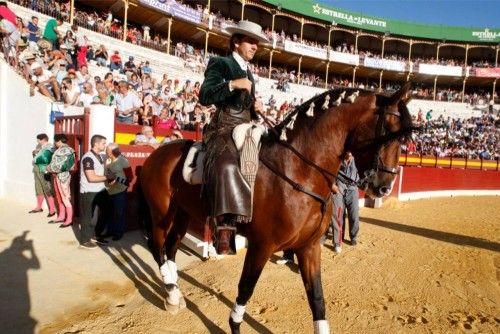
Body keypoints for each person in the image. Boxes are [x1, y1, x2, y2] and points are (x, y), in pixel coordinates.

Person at [199, 20, 268, 254]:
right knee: (227, 164)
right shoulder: (220, 63)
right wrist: (231, 84)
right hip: (224, 126)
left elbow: (246, 103)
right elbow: (205, 95)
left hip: (247, 124)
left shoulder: (250, 73)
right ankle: (224, 229)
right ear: (236, 42)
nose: (255, 46)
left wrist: (255, 106)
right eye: (250, 41)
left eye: (257, 42)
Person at [79, 134, 113, 249]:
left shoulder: (101, 156)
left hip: (101, 190)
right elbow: (91, 177)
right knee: (88, 216)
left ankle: (97, 235)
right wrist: (108, 177)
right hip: (89, 191)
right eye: (103, 143)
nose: (105, 145)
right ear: (96, 144)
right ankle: (84, 240)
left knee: (106, 212)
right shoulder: (88, 157)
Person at [331, 151, 360, 253]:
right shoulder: (337, 157)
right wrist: (332, 184)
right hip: (339, 185)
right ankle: (338, 242)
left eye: (351, 152)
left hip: (353, 187)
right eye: (348, 151)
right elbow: (328, 169)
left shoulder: (359, 158)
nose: (350, 154)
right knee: (338, 214)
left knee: (354, 214)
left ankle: (353, 237)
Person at [103, 143, 132, 241]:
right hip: (109, 190)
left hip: (120, 191)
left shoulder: (123, 161)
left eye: (108, 151)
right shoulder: (107, 160)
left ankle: (118, 232)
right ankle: (110, 231)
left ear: (113, 152)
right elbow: (107, 174)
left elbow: (130, 178)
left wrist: (117, 179)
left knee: (119, 213)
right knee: (109, 212)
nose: (106, 152)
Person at [46, 134, 75, 227]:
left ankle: (69, 219)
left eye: (55, 141)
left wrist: (50, 168)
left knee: (65, 197)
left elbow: (63, 165)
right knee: (59, 197)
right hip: (58, 176)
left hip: (63, 177)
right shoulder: (66, 150)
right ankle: (62, 216)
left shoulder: (66, 150)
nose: (55, 143)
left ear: (59, 141)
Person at [30, 133, 56, 217]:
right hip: (37, 169)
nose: (37, 141)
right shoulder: (41, 148)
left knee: (47, 189)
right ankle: (39, 207)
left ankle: (52, 210)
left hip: (44, 170)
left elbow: (46, 159)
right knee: (38, 188)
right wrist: (36, 153)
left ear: (43, 139)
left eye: (38, 140)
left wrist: (36, 157)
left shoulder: (50, 147)